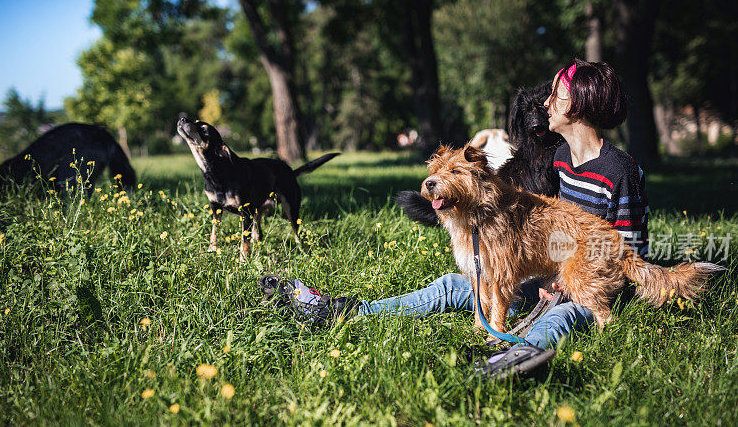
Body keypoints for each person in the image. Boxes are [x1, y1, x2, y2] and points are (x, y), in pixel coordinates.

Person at [260, 59, 649, 379]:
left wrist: (567, 278)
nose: (546, 102)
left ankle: (513, 361)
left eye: (556, 95)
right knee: (452, 283)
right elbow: (553, 228)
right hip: (553, 273)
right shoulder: (561, 158)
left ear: (579, 105)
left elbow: (629, 245)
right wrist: (545, 273)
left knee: (562, 316)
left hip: (592, 280)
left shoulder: (620, 168)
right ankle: (347, 310)